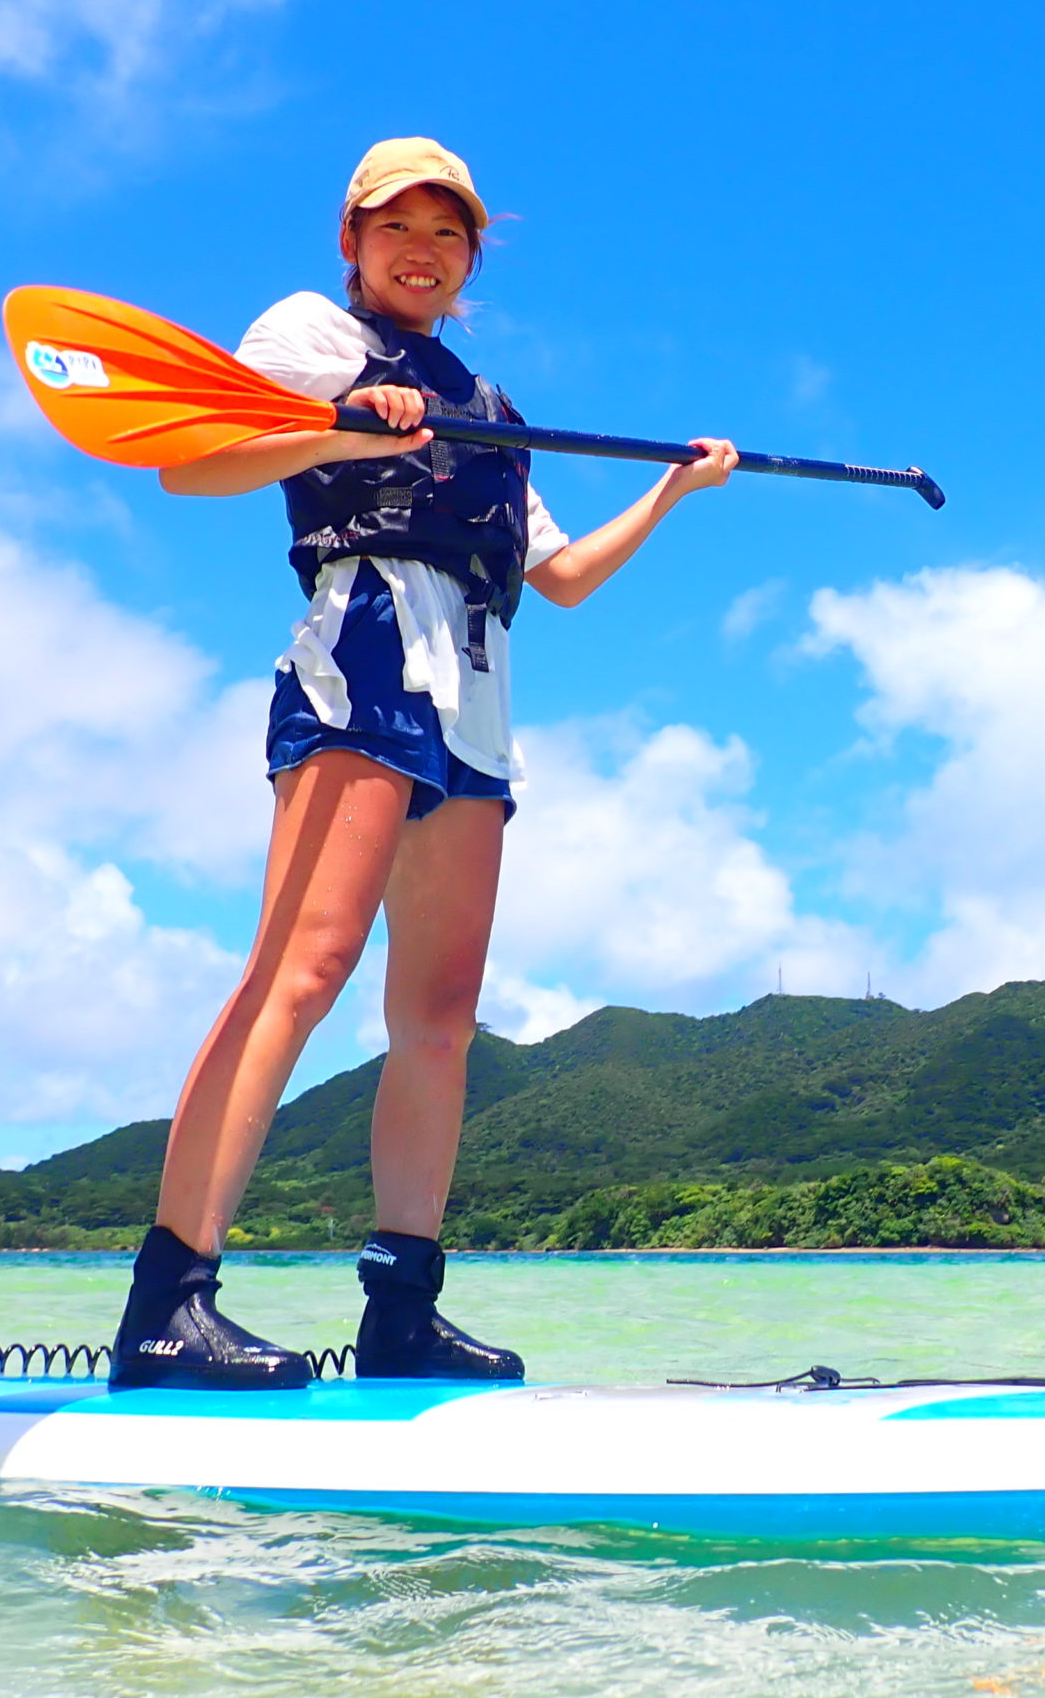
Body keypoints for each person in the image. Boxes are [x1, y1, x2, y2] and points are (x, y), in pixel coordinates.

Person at [109, 138, 737, 1389]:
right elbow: (189, 467)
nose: (425, 251)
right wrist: (345, 431)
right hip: (363, 649)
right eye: (400, 226)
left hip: (480, 697)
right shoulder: (308, 336)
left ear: (470, 262)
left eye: (451, 236)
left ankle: (400, 1309)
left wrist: (668, 496)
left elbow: (556, 578)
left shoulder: (492, 409)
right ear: (352, 240)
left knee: (439, 1019)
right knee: (304, 968)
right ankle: (170, 1302)